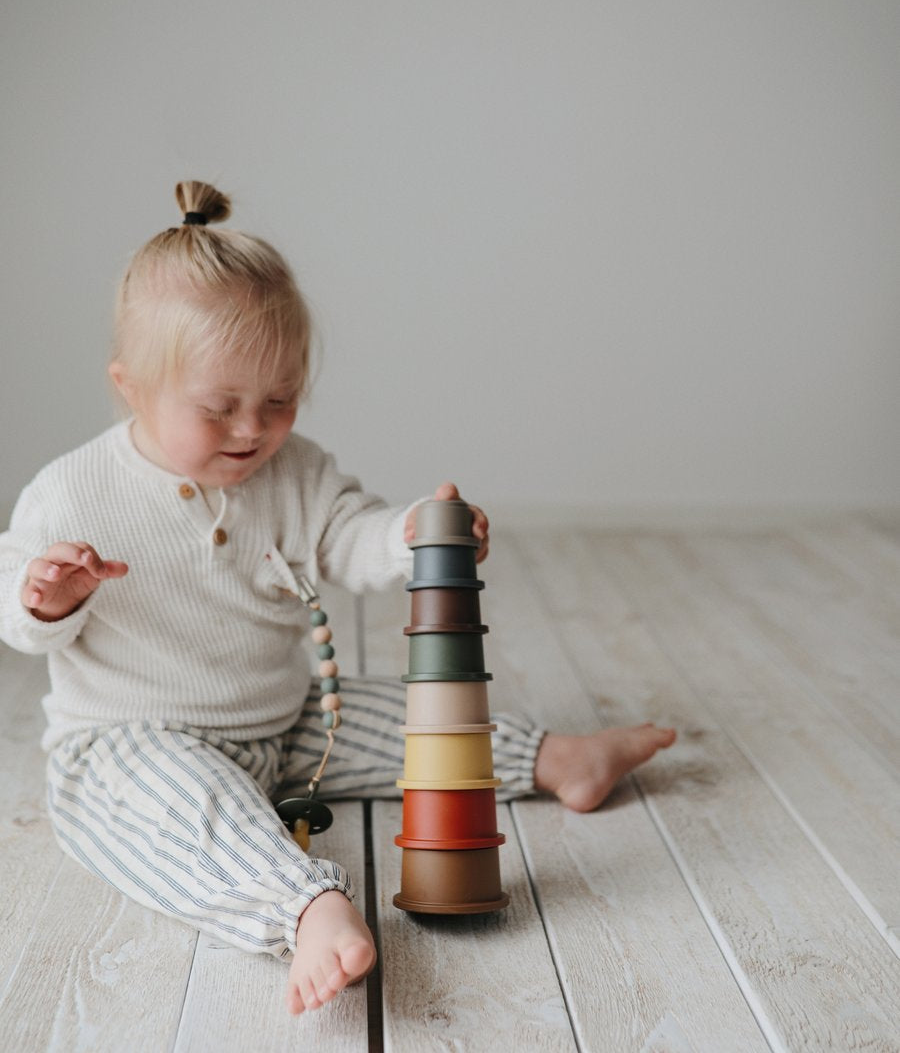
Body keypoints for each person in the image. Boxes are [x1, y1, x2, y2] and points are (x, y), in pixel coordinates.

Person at [0, 182, 675, 1015]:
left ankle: (554, 759)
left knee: (413, 720)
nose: (253, 429)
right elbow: (18, 618)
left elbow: (350, 533)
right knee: (191, 810)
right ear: (131, 386)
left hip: (284, 724)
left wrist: (416, 534)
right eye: (219, 409)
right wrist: (46, 597)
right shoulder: (73, 493)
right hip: (130, 740)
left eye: (279, 401)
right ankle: (307, 909)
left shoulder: (296, 472)